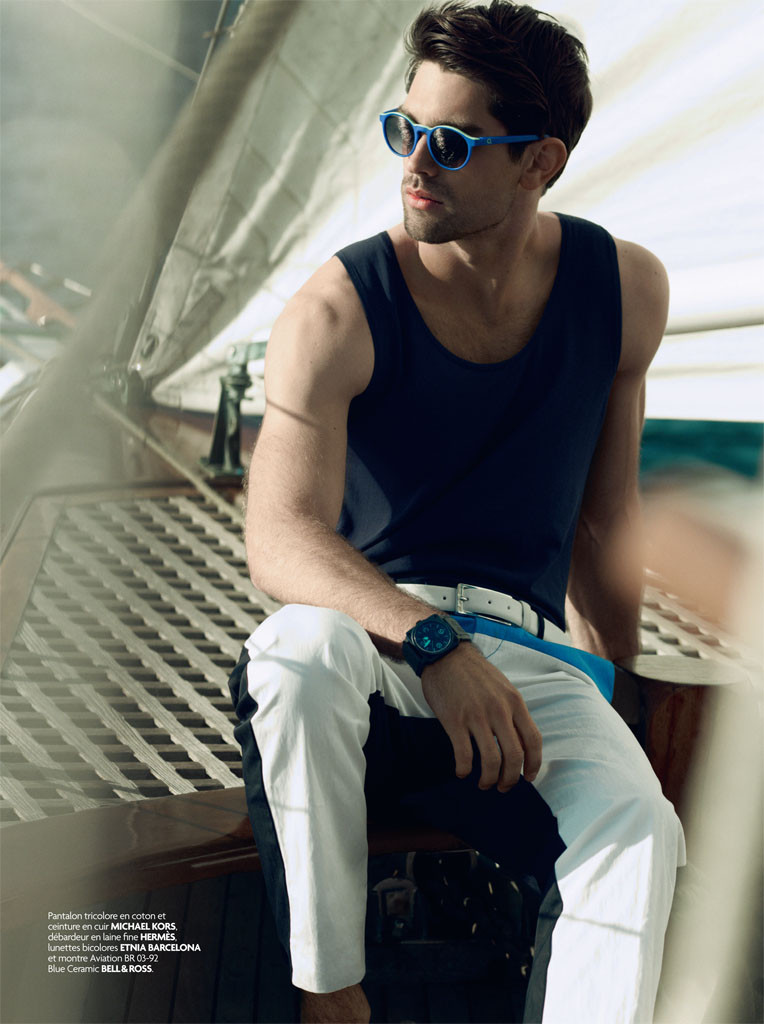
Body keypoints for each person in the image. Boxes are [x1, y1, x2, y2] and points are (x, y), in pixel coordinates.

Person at [228, 2, 686, 1021]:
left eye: (449, 142)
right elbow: (280, 537)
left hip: (522, 661)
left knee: (640, 828)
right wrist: (433, 644)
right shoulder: (337, 309)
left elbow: (604, 521)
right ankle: (330, 992)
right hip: (369, 649)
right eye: (404, 129)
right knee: (293, 654)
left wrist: (621, 700)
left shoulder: (623, 291)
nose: (413, 163)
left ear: (538, 164)